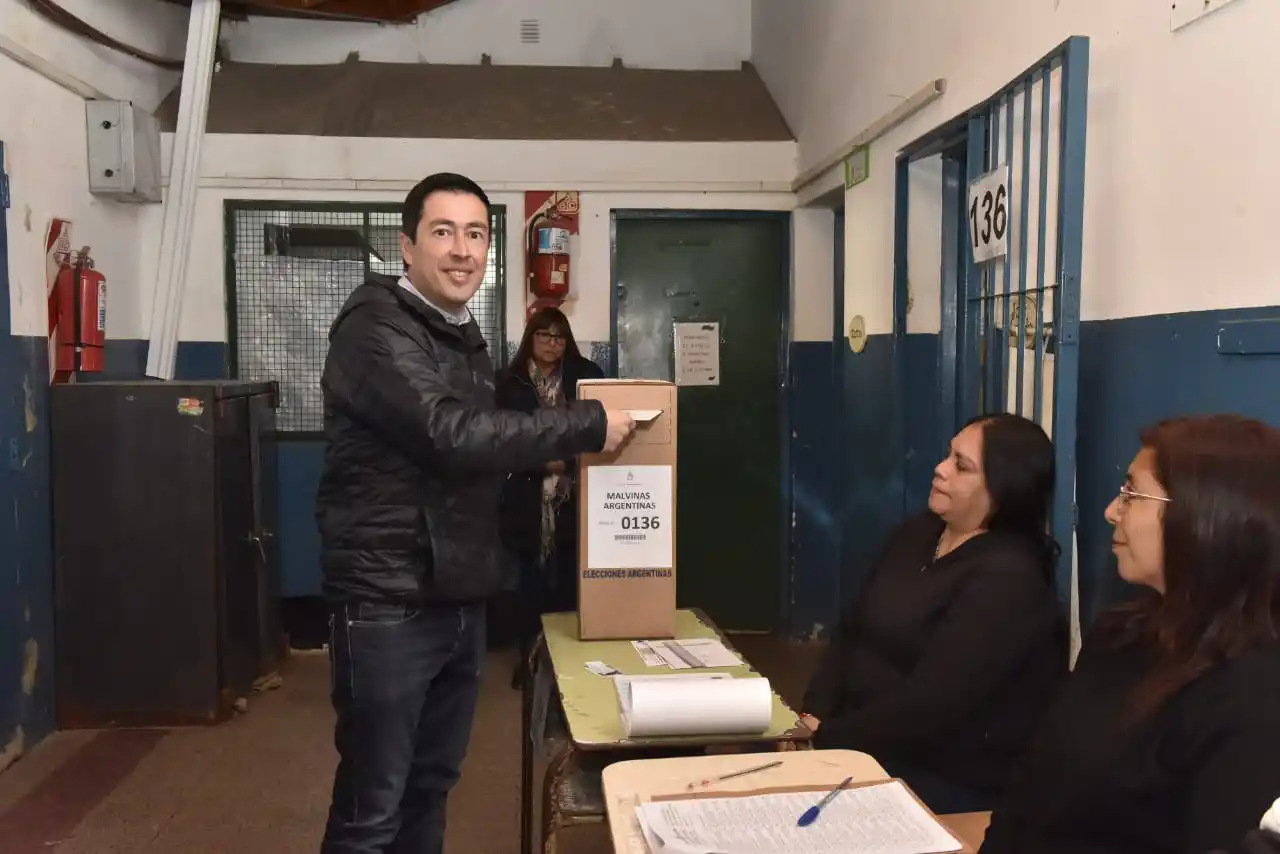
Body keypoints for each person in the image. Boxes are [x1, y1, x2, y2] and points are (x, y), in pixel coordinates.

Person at [314, 172, 635, 854]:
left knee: (430, 786)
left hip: (457, 593)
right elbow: (450, 434)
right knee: (373, 809)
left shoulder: (462, 335)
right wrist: (585, 425)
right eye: (443, 232)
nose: (462, 250)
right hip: (389, 599)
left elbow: (480, 450)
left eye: (476, 234)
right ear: (406, 247)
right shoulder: (374, 330)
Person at [981, 415, 1280, 854]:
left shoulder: (1253, 700)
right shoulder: (1120, 631)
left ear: (1206, 518)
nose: (1110, 511)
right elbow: (1032, 784)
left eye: (1131, 495)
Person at [800, 412, 1066, 814]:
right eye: (947, 455)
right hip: (856, 742)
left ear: (1001, 489)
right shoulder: (915, 534)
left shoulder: (1008, 579)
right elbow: (851, 631)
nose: (940, 469)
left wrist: (829, 736)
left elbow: (933, 706)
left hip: (944, 774)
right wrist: (813, 711)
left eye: (961, 465)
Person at [495, 308, 603, 688]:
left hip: (575, 497)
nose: (552, 344)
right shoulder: (509, 382)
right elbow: (501, 441)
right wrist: (542, 463)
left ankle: (568, 667)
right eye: (544, 335)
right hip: (526, 498)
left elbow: (598, 432)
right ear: (531, 338)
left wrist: (567, 462)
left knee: (570, 585)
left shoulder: (586, 377)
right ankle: (530, 662)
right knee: (530, 587)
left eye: (559, 337)